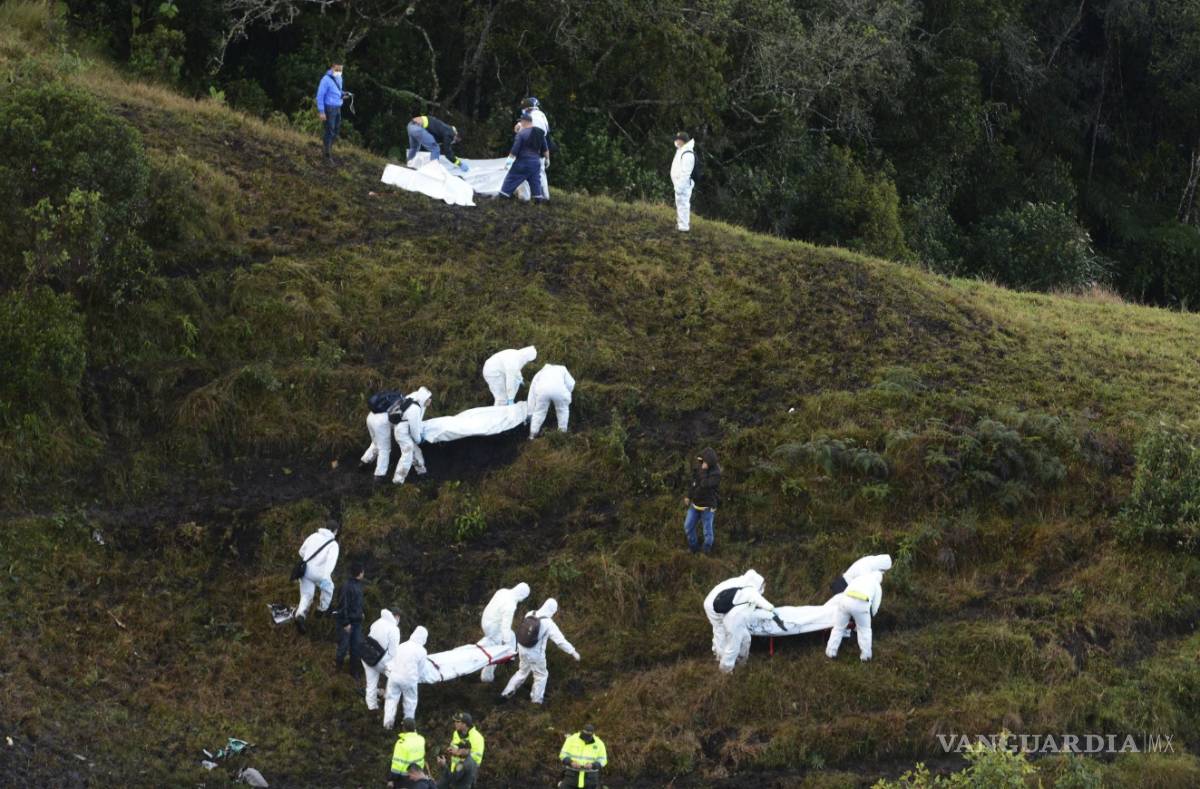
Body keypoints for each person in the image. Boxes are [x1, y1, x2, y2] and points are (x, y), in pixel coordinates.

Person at [501, 598, 580, 704]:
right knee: (541, 675)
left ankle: (507, 692)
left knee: (522, 672)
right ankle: (536, 701)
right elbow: (560, 641)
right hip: (536, 655)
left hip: (522, 648)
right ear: (552, 610)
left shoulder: (530, 613)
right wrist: (573, 652)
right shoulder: (549, 623)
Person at [703, 569, 767, 658]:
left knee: (725, 632)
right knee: (721, 632)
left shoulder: (741, 581)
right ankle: (720, 659)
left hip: (719, 603)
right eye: (761, 587)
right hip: (714, 606)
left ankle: (725, 656)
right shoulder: (745, 588)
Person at [826, 568, 884, 662]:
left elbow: (846, 591)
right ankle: (866, 657)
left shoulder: (858, 578)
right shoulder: (877, 585)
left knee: (838, 628)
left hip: (845, 601)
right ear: (879, 579)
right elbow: (875, 606)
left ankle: (830, 653)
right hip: (861, 605)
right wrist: (870, 616)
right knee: (864, 631)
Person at [718, 581, 777, 674]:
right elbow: (767, 605)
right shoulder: (752, 592)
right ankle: (725, 671)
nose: (763, 589)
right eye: (762, 586)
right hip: (734, 623)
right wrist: (775, 611)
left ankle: (741, 664)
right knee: (733, 647)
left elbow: (749, 605)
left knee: (746, 640)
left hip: (736, 622)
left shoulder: (745, 591)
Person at [479, 582, 531, 682]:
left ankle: (510, 656)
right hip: (493, 628)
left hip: (485, 621)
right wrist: (506, 643)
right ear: (522, 595)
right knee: (499, 648)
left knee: (511, 637)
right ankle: (488, 675)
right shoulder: (510, 605)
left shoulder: (502, 591)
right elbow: (505, 626)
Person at [294, 519, 340, 633]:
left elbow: (301, 551)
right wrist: (326, 576)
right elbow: (331, 562)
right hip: (320, 574)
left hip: (306, 571)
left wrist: (309, 559)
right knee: (329, 589)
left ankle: (300, 614)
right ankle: (321, 609)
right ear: (335, 531)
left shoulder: (314, 536)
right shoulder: (333, 545)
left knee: (306, 595)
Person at [384, 626, 429, 728]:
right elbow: (420, 669)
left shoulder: (402, 645)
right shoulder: (422, 651)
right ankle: (407, 726)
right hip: (409, 679)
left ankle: (388, 724)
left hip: (394, 677)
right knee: (410, 702)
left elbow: (394, 660)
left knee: (391, 700)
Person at [498, 112, 548, 202]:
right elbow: (545, 150)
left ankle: (503, 196)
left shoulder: (521, 134)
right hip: (536, 163)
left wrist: (507, 165)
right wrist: (547, 159)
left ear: (524, 122)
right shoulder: (540, 133)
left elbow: (514, 152)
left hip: (523, 162)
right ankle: (538, 200)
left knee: (511, 178)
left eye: (521, 121)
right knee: (536, 182)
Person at [362, 390, 409, 481]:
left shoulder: (395, 398)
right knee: (384, 449)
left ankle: (364, 462)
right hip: (381, 421)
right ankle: (379, 475)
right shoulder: (408, 406)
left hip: (371, 416)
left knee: (376, 443)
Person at [391, 387, 433, 485]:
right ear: (424, 399)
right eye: (428, 399)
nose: (430, 401)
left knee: (416, 451)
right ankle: (398, 481)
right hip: (403, 433)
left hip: (404, 430)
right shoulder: (415, 409)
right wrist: (419, 439)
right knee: (407, 455)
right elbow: (414, 429)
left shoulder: (415, 401)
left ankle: (422, 472)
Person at [683, 448, 721, 554]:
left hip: (707, 508)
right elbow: (694, 483)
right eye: (701, 461)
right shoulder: (700, 468)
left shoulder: (716, 474)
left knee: (708, 535)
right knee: (688, 527)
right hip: (695, 505)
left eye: (703, 462)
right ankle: (693, 549)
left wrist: (703, 471)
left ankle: (705, 553)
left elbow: (704, 485)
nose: (701, 464)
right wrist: (688, 496)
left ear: (709, 462)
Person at [364, 608, 402, 712]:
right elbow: (393, 652)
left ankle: (372, 707)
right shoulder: (394, 629)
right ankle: (388, 700)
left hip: (366, 655)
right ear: (397, 617)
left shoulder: (377, 621)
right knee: (395, 676)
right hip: (379, 660)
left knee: (371, 683)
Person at [436, 712, 484, 788]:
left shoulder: (477, 738)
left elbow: (476, 759)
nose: (455, 723)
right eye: (455, 721)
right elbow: (454, 747)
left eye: (458, 722)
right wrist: (450, 751)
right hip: (453, 772)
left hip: (464, 776)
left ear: (465, 724)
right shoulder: (456, 733)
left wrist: (457, 754)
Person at [527, 364, 575, 439]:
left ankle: (532, 434)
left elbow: (532, 390)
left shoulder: (541, 372)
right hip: (559, 391)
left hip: (542, 391)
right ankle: (562, 433)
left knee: (539, 412)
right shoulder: (563, 369)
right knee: (562, 410)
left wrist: (530, 411)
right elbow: (571, 384)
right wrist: (567, 393)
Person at [335, 561, 366, 676]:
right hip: (347, 622)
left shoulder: (359, 585)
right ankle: (337, 670)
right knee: (343, 647)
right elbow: (343, 605)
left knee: (356, 648)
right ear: (360, 572)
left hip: (357, 622)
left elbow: (357, 603)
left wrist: (361, 612)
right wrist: (345, 622)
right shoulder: (346, 586)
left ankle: (354, 673)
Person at [517, 97, 551, 199]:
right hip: (540, 151)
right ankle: (545, 197)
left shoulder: (529, 117)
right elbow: (545, 136)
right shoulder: (542, 116)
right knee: (541, 173)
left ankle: (524, 198)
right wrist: (547, 157)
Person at [315, 62, 345, 165]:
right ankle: (326, 156)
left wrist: (343, 94)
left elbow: (338, 91)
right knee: (329, 131)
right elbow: (320, 96)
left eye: (341, 69)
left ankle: (328, 151)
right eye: (337, 69)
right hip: (329, 108)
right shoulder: (325, 80)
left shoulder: (339, 78)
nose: (339, 72)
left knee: (335, 131)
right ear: (332, 67)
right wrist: (321, 111)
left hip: (337, 108)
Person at [387, 719, 427, 788]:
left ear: (404, 728)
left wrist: (391, 779)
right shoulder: (421, 739)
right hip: (418, 775)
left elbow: (397, 764)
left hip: (404, 778)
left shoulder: (401, 743)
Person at [670, 132, 697, 232]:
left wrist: (679, 187)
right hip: (679, 184)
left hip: (684, 185)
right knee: (680, 204)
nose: (676, 141)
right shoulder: (681, 150)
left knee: (683, 204)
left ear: (682, 141)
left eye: (678, 139)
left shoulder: (688, 153)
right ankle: (681, 224)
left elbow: (686, 173)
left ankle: (684, 227)